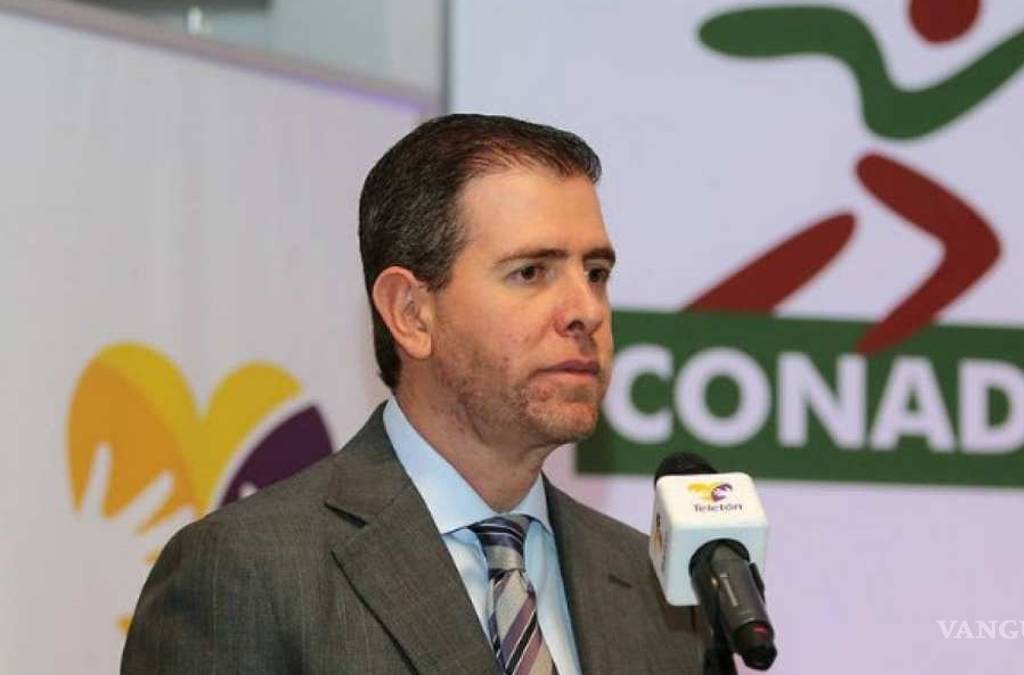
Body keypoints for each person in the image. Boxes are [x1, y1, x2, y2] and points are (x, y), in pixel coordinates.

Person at [120, 114, 704, 674]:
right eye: (531, 272)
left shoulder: (651, 585)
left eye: (596, 273)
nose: (586, 311)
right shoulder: (248, 570)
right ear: (410, 313)